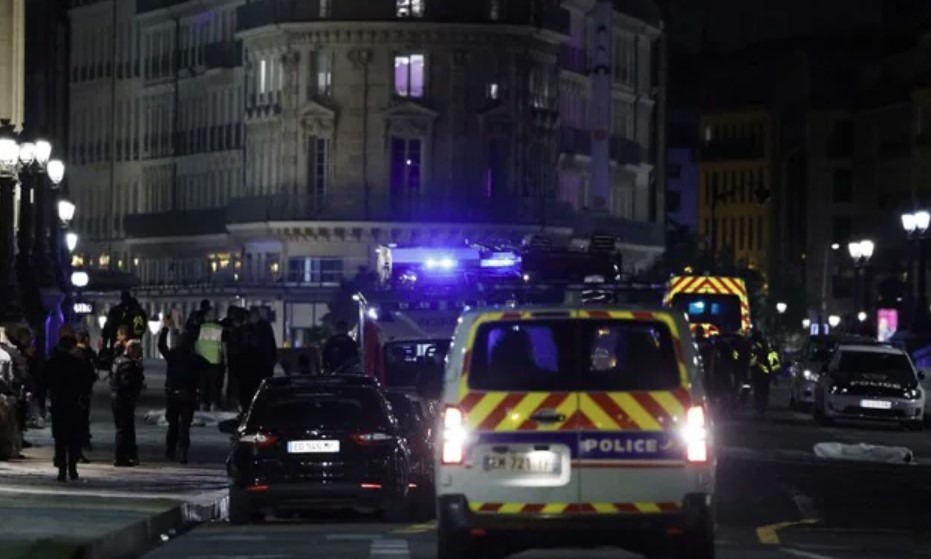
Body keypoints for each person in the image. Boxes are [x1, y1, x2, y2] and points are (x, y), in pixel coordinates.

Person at [44, 325, 96, 481]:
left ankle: (61, 468)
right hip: (75, 403)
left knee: (60, 438)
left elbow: (44, 379)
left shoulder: (53, 362)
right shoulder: (78, 362)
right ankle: (72, 468)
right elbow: (88, 379)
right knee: (74, 438)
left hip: (58, 403)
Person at [159, 316, 209, 464]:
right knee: (185, 426)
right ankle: (183, 451)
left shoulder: (173, 355)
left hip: (173, 394)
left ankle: (170, 451)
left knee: (173, 424)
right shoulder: (194, 358)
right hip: (188, 395)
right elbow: (207, 366)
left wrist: (165, 329)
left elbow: (161, 346)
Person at [110, 340, 145, 466]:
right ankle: (120, 457)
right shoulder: (128, 365)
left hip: (116, 398)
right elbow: (128, 383)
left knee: (123, 428)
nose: (139, 354)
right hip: (124, 400)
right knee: (123, 429)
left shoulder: (117, 360)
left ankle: (125, 455)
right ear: (131, 349)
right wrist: (138, 371)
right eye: (138, 350)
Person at [74, 330, 99, 459]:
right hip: (82, 390)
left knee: (81, 418)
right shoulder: (83, 354)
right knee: (82, 418)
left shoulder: (79, 353)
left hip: (80, 390)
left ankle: (80, 444)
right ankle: (82, 443)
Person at [194, 309, 225, 412]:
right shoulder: (219, 328)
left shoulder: (200, 328)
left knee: (202, 384)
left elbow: (195, 343)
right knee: (214, 384)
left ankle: (202, 404)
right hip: (215, 360)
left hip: (201, 360)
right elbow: (223, 345)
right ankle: (213, 404)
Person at [749, 330, 776, 417]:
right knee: (762, 390)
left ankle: (760, 406)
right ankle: (761, 406)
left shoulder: (755, 345)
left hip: (760, 372)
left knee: (760, 390)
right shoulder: (759, 345)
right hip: (761, 372)